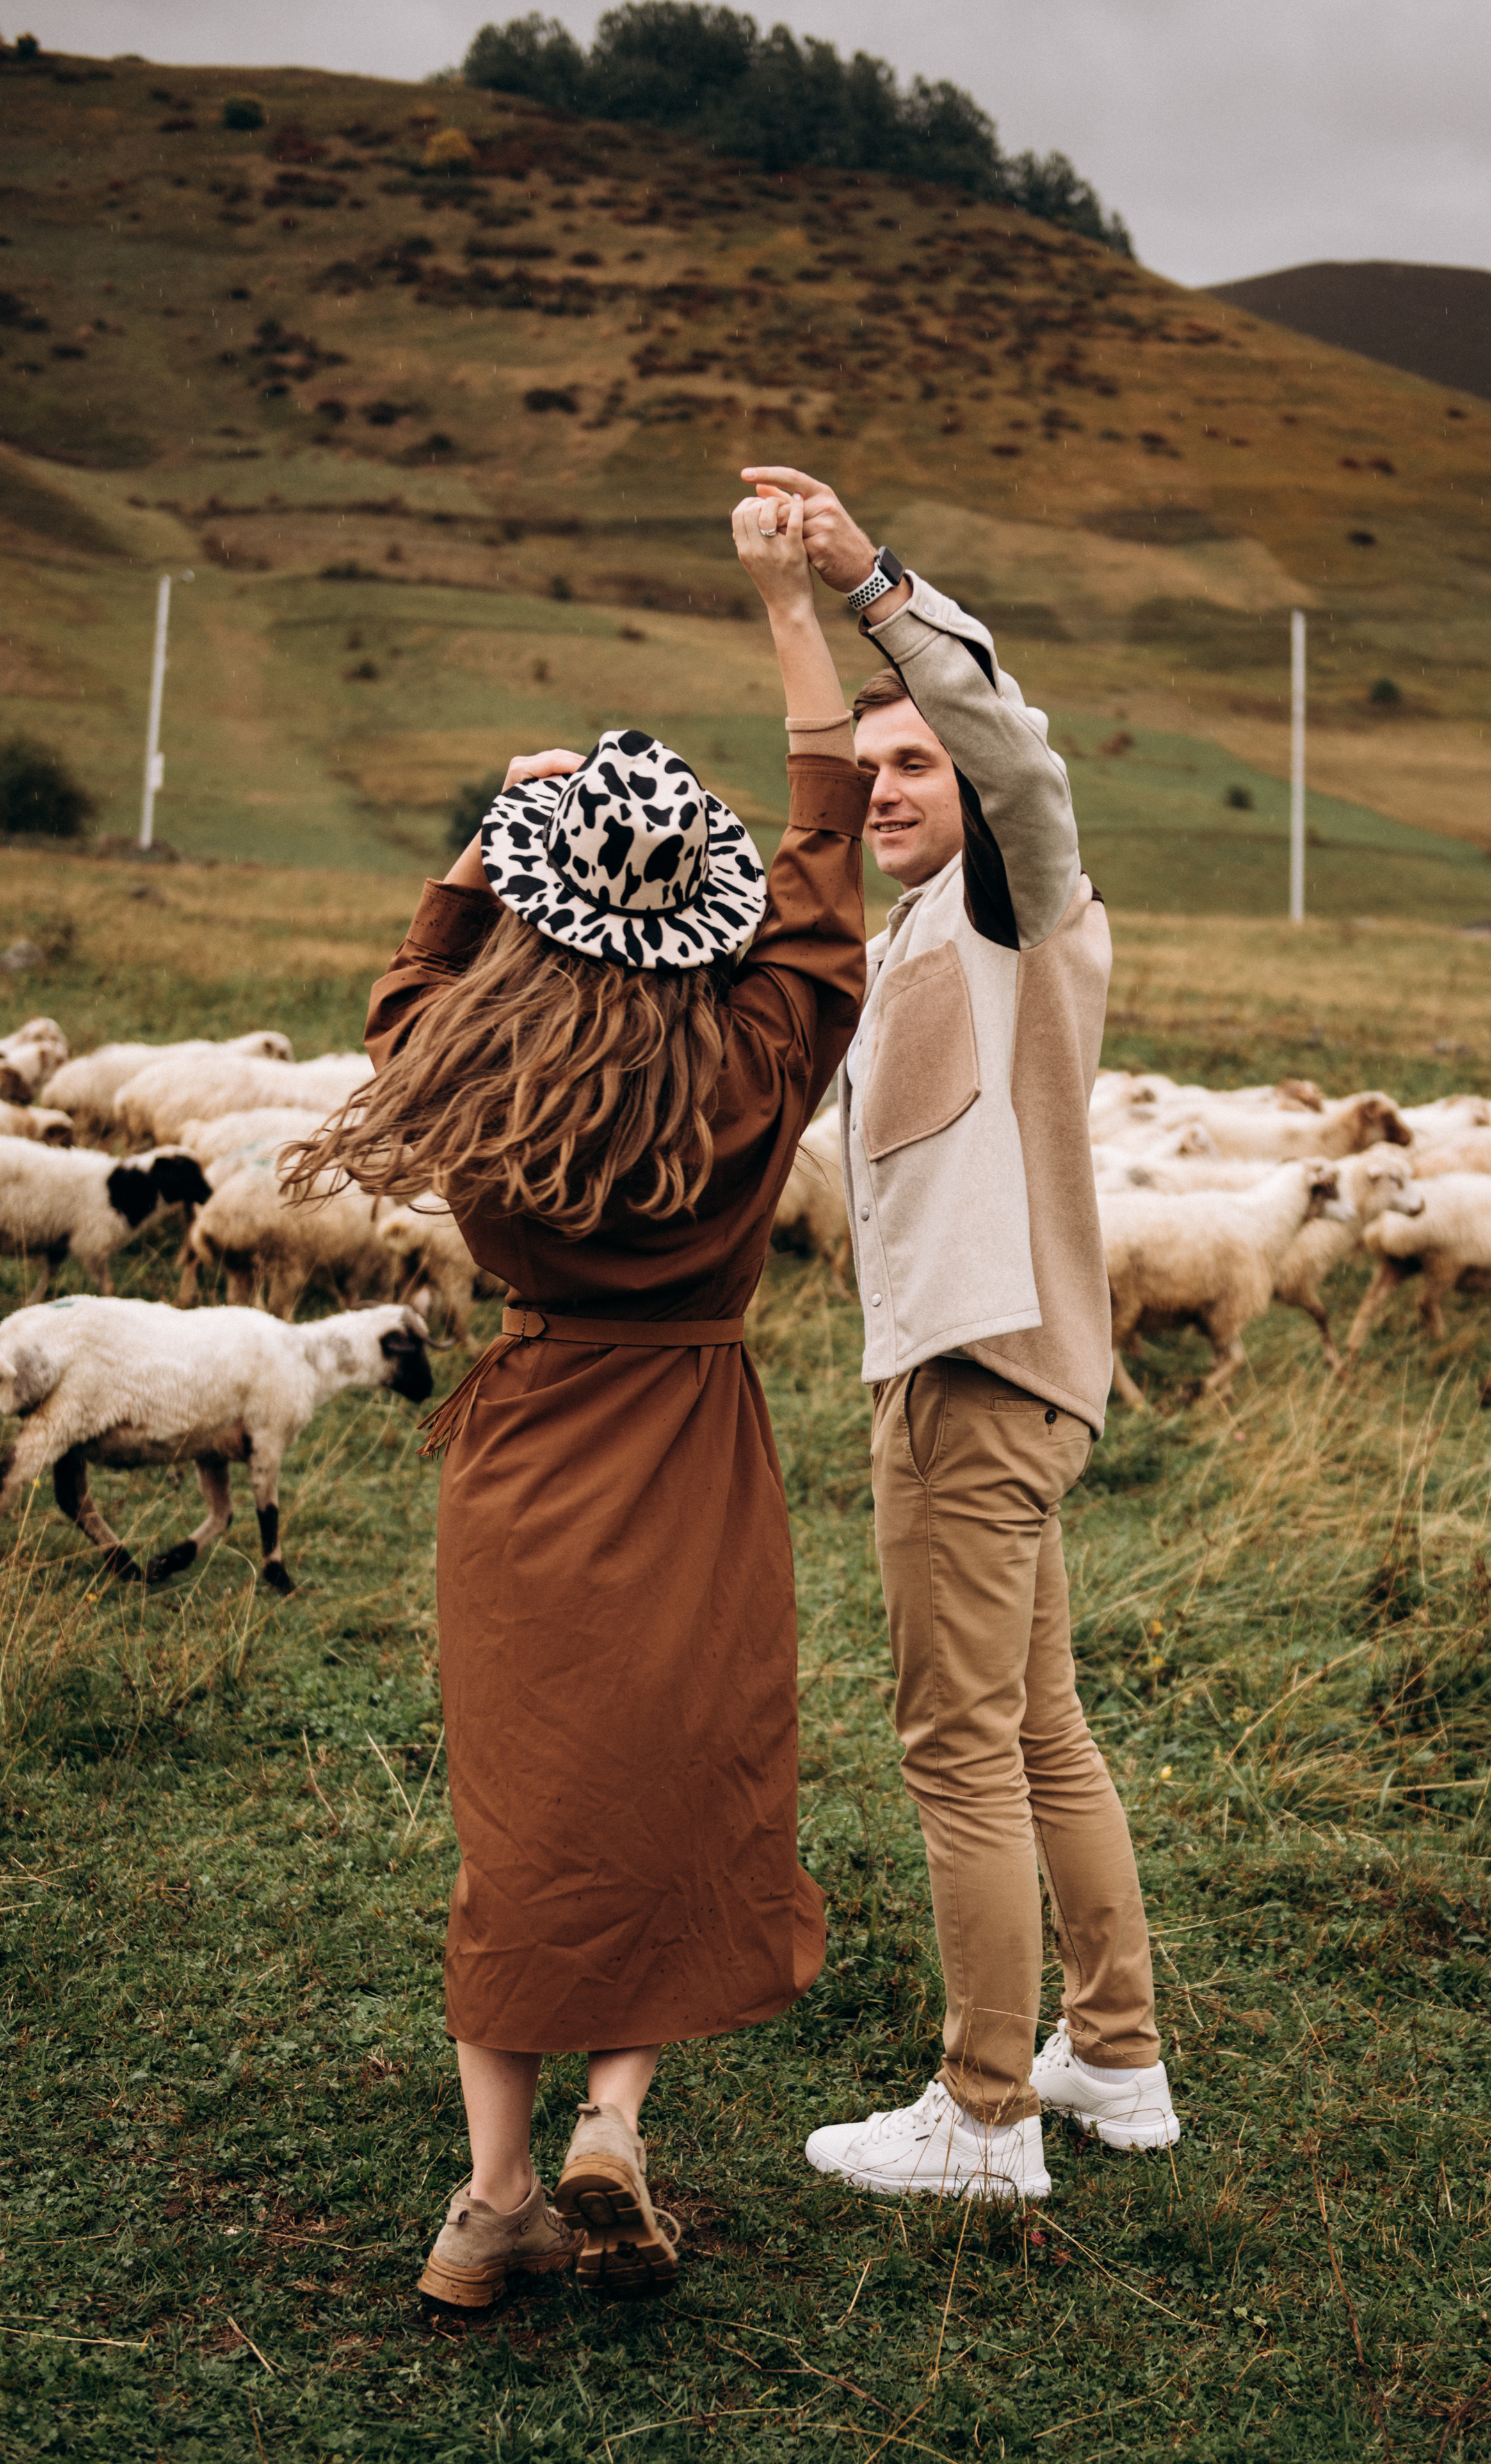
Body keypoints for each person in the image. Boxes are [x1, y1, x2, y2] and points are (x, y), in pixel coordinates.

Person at [293, 490, 867, 2302]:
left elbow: (413, 981)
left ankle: (491, 2198)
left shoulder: (466, 1062)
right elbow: (830, 847)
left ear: (530, 917)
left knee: (524, 1812)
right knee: (681, 1788)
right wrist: (788, 599)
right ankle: (618, 2118)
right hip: (696, 1442)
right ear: (700, 919)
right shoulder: (764, 1046)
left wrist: (486, 847)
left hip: (526, 1446)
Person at [740, 464, 1181, 2200]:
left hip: (975, 1374)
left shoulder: (1020, 892)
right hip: (1016, 1362)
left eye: (916, 758)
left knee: (952, 1750)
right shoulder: (929, 918)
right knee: (1040, 1732)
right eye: (873, 766)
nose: (888, 784)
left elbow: (1016, 751)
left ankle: (985, 2118)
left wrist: (866, 584)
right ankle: (1115, 2059)